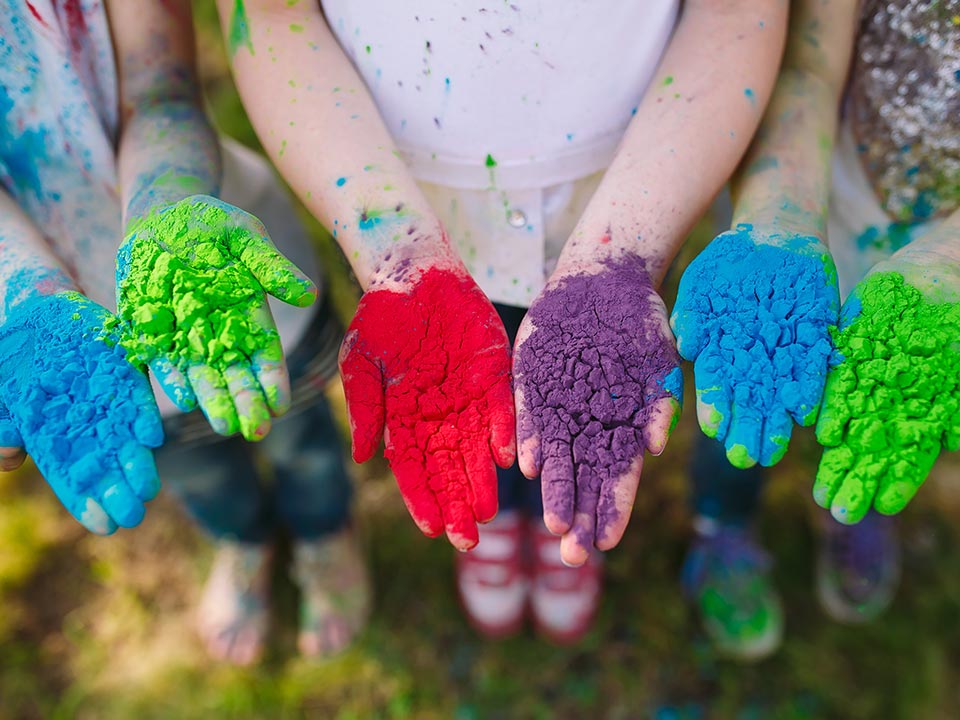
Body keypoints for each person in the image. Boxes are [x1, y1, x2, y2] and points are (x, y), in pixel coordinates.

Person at [218, 0, 787, 642]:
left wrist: (622, 252)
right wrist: (393, 249)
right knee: (455, 388)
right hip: (385, 174)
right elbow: (267, 16)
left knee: (581, 393)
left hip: (642, 163)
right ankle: (495, 517)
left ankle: (553, 518)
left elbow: (738, 14)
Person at [0, 0, 368, 665]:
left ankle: (325, 530)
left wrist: (164, 210)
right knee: (195, 472)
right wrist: (24, 293)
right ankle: (244, 539)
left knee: (301, 438)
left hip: (206, 260)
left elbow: (161, 90)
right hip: (77, 345)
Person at [673, 0, 957, 658]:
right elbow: (807, 64)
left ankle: (853, 509)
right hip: (816, 182)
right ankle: (723, 524)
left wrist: (947, 266)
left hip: (947, 269)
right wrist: (780, 211)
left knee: (894, 403)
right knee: (745, 402)